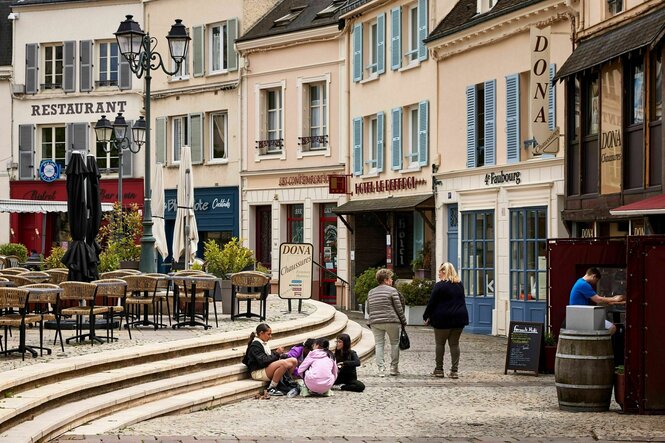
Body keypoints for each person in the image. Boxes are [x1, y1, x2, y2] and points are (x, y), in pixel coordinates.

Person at [423, 262, 469, 379]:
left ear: (444, 272)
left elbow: (432, 303)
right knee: (454, 344)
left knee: (440, 344)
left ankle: (439, 369)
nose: (438, 274)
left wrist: (426, 316)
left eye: (439, 271)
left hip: (442, 319)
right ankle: (454, 371)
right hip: (459, 318)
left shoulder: (439, 286)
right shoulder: (459, 285)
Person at [366, 268, 407, 377]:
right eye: (390, 279)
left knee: (379, 344)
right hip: (391, 321)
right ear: (385, 280)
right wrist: (403, 321)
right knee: (394, 343)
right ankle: (394, 368)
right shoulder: (392, 291)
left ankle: (381, 368)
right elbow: (399, 308)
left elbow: (368, 310)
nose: (392, 281)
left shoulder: (371, 292)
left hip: (375, 322)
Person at [242, 323, 298, 397]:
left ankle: (287, 382)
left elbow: (268, 357)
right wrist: (276, 354)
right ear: (261, 333)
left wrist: (281, 355)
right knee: (283, 363)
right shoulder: (255, 346)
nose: (270, 337)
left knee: (293, 361)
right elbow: (263, 361)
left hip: (265, 368)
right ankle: (272, 388)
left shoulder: (264, 343)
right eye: (268, 334)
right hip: (258, 372)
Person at [569, 267, 625, 334]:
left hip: (581, 315)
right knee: (612, 327)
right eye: (596, 280)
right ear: (593, 276)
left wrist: (614, 301)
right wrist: (614, 298)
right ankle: (599, 343)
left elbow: (599, 301)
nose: (595, 283)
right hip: (581, 316)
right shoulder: (584, 284)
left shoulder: (580, 282)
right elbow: (598, 300)